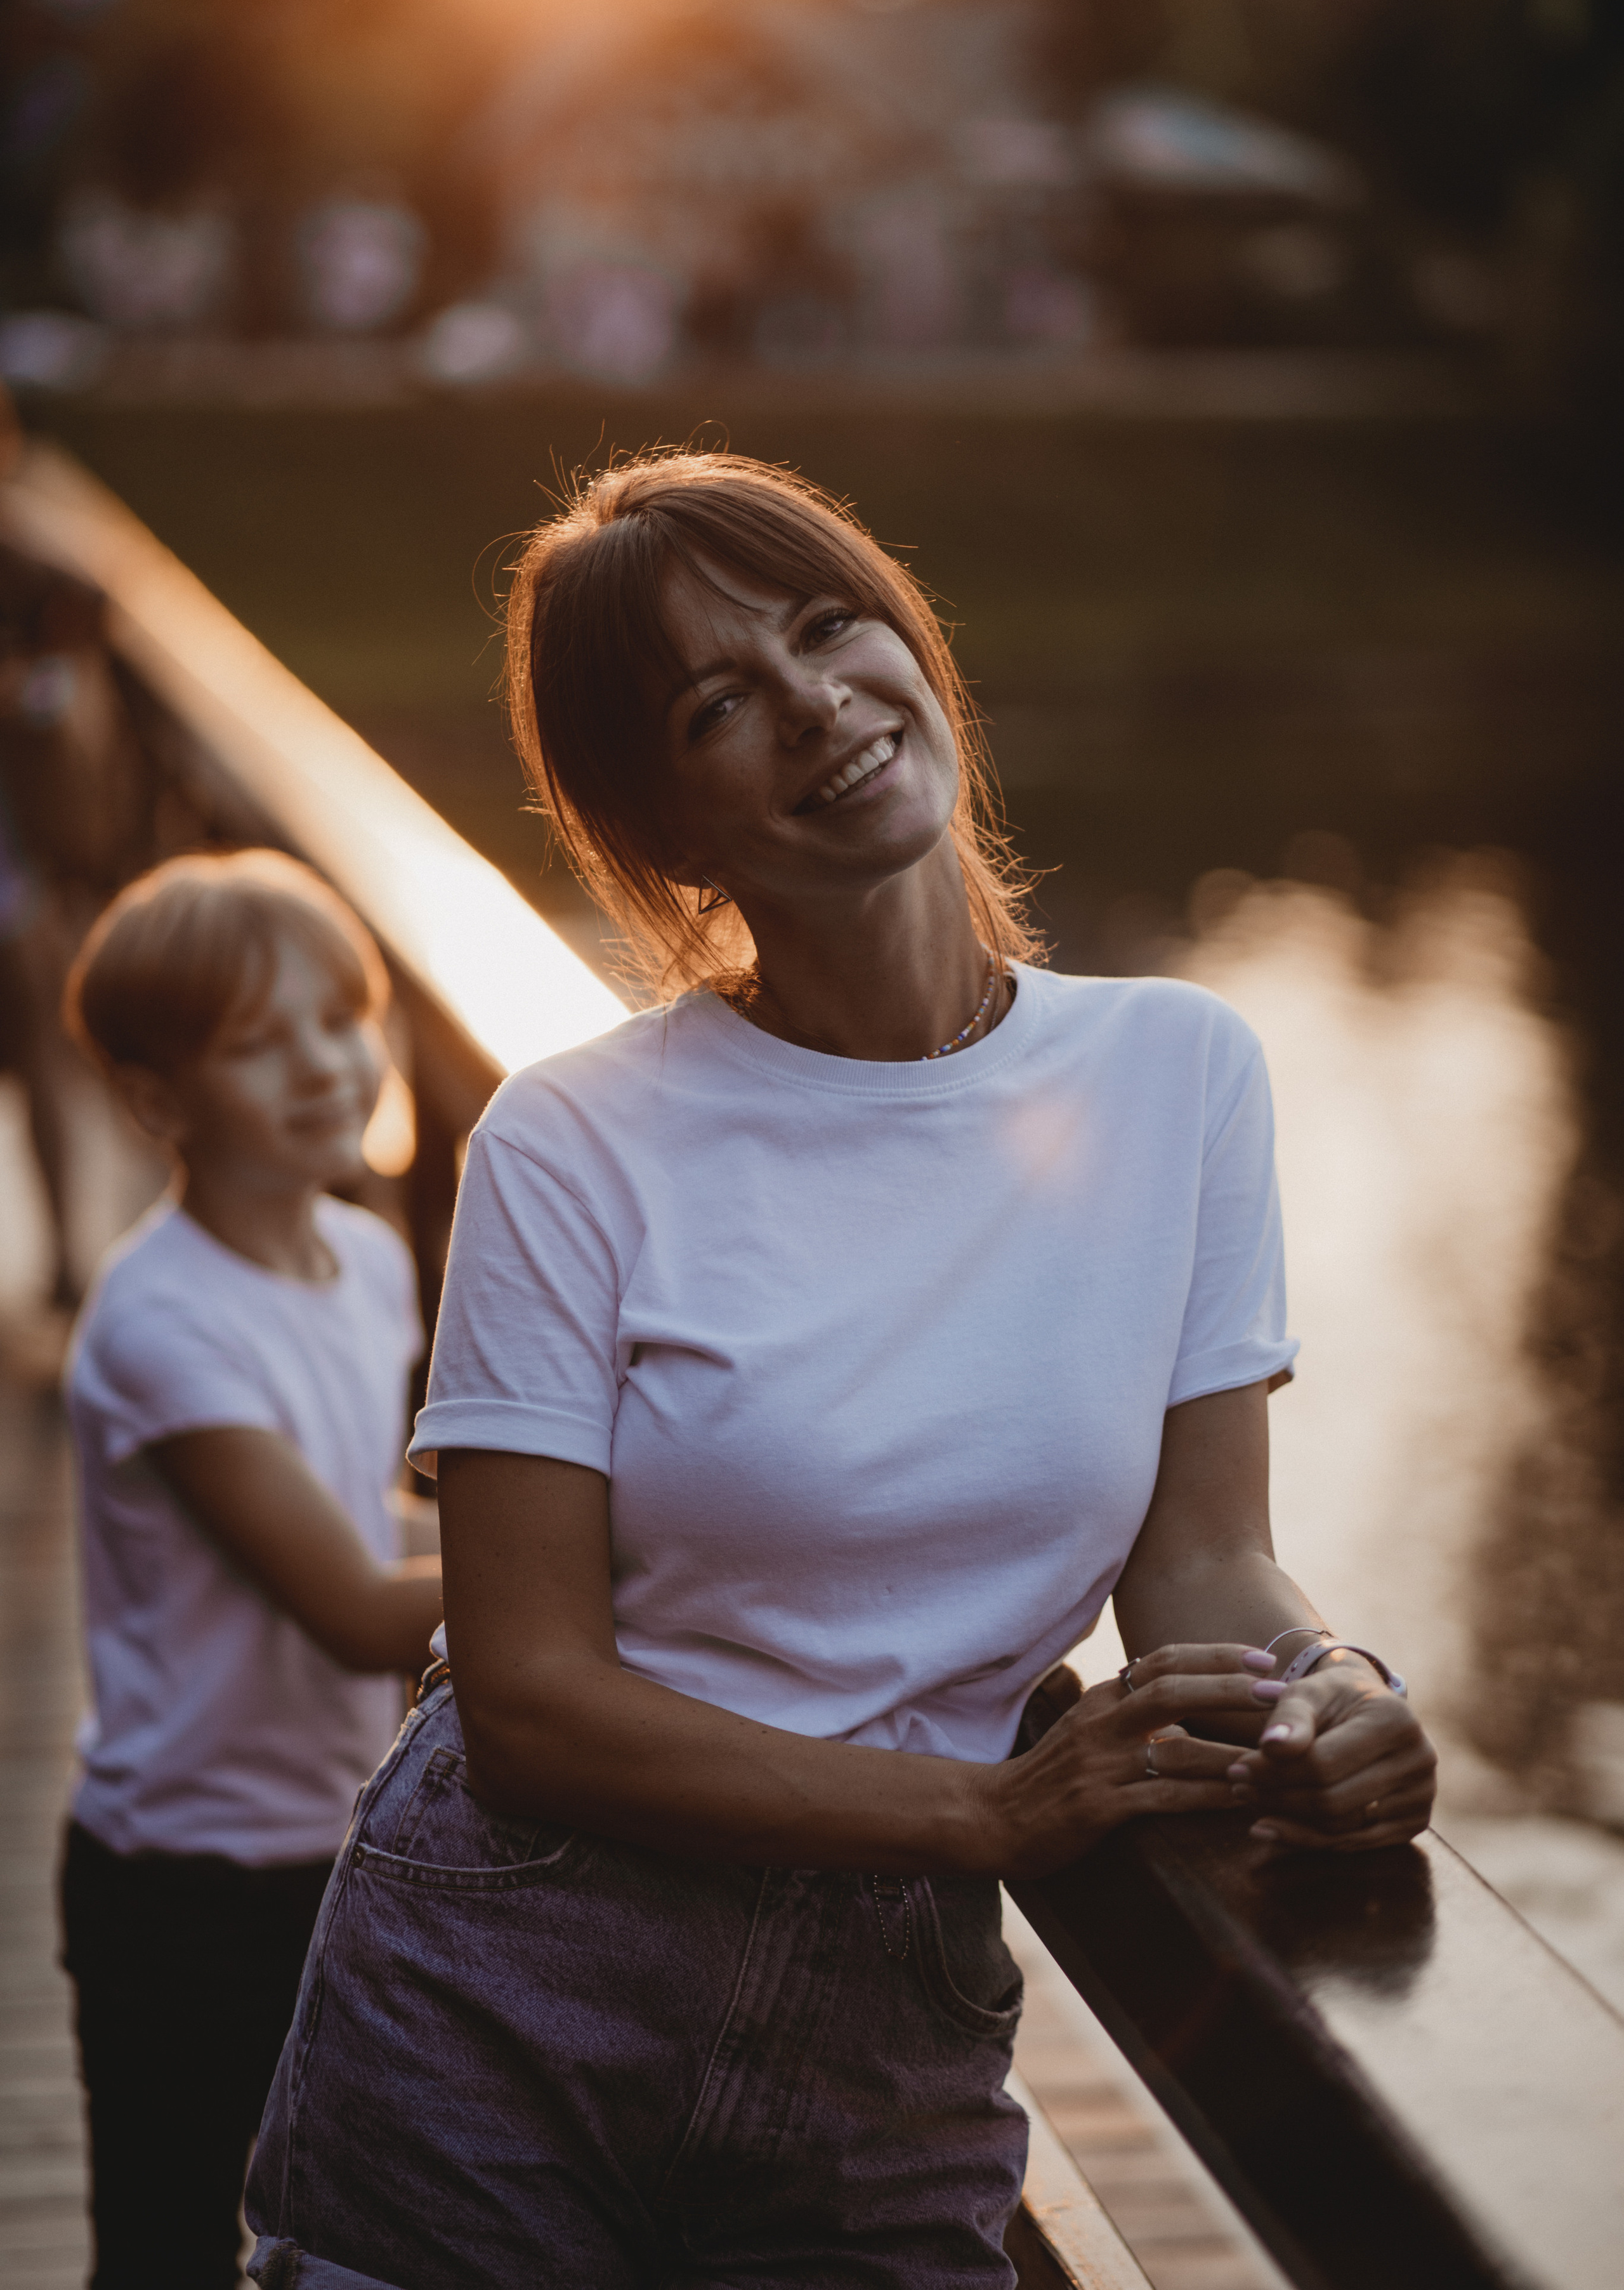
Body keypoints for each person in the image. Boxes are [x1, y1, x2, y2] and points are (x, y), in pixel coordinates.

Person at [246, 452, 1436, 2290]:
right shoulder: (572, 1144)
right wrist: (986, 1812)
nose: (815, 705)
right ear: (666, 828)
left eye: (828, 627)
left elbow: (1200, 1557)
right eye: (721, 703)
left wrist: (1330, 1682)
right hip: (511, 1992)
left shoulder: (1181, 1076)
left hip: (887, 2019)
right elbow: (538, 1698)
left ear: (913, 645)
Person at [58, 849, 443, 2290]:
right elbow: (348, 1609)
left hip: (342, 1854)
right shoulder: (162, 1326)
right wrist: (602, 1568)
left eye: (340, 1019)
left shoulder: (366, 1260)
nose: (323, 1065)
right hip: (184, 1878)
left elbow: (363, 1528)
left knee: (354, 2238)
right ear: (159, 1102)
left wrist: (544, 1548)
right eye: (256, 1042)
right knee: (161, 2248)